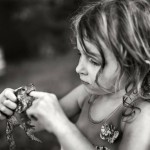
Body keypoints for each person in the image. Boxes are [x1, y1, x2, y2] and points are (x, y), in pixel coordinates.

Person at [1, 0, 150, 149]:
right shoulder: (87, 94)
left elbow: (58, 122)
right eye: (80, 53)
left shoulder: (141, 115)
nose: (79, 68)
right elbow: (38, 122)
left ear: (136, 66)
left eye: (93, 60)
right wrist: (13, 108)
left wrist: (63, 126)